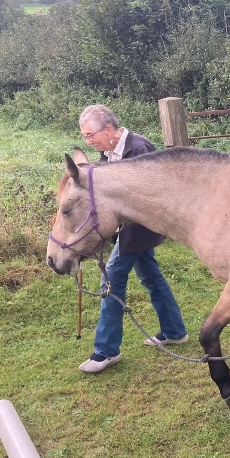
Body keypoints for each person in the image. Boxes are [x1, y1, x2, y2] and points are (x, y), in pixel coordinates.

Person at [77, 104, 189, 373]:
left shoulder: (139, 149)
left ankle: (106, 351)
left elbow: (153, 197)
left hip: (140, 229)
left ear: (108, 129)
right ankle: (174, 331)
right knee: (151, 276)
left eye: (90, 135)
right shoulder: (108, 153)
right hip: (124, 232)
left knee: (111, 280)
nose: (88, 141)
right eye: (84, 137)